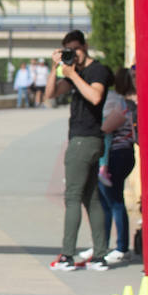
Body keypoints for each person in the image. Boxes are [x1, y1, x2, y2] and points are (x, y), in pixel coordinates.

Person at [45, 30, 112, 271]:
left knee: (72, 197)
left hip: (85, 140)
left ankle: (67, 256)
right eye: (69, 50)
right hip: (87, 140)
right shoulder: (76, 71)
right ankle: (100, 255)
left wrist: (73, 74)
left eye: (77, 48)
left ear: (85, 46)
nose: (75, 53)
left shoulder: (97, 71)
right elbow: (50, 95)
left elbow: (95, 97)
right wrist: (56, 67)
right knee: (91, 198)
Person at [77, 67, 136, 266]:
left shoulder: (121, 104)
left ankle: (121, 247)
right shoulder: (126, 103)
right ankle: (102, 244)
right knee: (104, 202)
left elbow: (106, 127)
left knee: (114, 201)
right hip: (118, 155)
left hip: (117, 156)